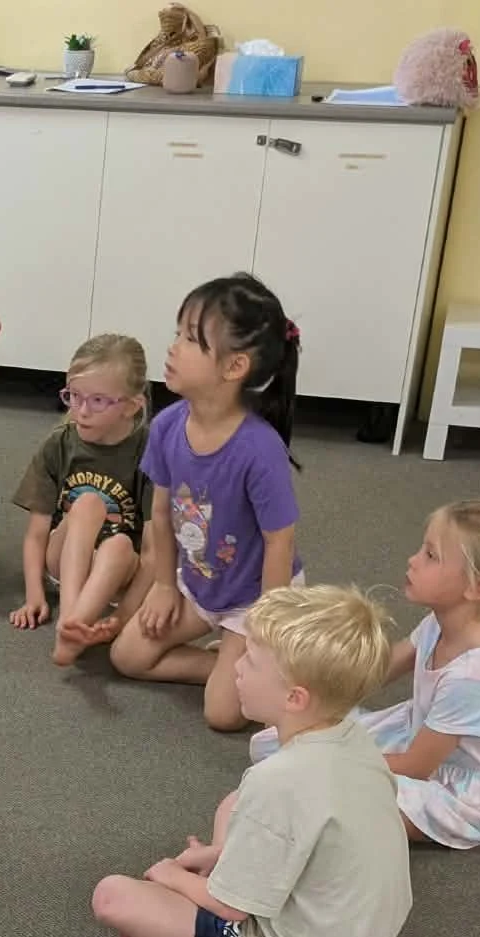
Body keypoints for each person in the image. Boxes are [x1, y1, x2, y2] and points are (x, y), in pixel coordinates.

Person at [91, 586, 411, 937]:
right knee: (234, 802)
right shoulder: (354, 741)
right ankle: (213, 889)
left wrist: (170, 876)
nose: (235, 667)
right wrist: (223, 855)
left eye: (250, 660)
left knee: (113, 897)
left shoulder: (279, 780)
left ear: (295, 698)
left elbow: (231, 908)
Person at [254, 499, 480, 847]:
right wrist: (314, 687)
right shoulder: (443, 624)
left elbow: (415, 766)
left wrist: (319, 756)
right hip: (422, 736)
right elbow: (377, 671)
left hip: (463, 793)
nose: (413, 560)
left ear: (477, 587)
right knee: (274, 743)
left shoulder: (479, 676)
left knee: (315, 788)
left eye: (430, 556)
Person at [109, 273, 305, 729]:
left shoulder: (259, 449)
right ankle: (222, 668)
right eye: (177, 333)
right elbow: (160, 513)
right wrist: (163, 585)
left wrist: (264, 627)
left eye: (191, 340)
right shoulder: (166, 426)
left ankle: (252, 665)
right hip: (198, 583)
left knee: (223, 715)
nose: (173, 346)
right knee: (127, 656)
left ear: (234, 367)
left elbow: (281, 543)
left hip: (253, 599)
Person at [8, 334, 153, 666]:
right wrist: (35, 594)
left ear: (132, 405)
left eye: (99, 401)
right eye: (74, 397)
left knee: (117, 545)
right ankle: (70, 620)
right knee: (88, 503)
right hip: (66, 559)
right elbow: (36, 533)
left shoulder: (151, 452)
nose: (81, 411)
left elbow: (154, 550)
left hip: (118, 571)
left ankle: (74, 626)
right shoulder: (59, 444)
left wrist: (125, 615)